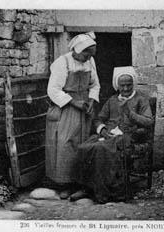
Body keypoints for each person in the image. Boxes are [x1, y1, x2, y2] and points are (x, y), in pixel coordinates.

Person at [75, 66, 154, 203]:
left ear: (133, 84)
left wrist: (129, 113)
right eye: (122, 85)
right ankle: (87, 188)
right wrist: (103, 130)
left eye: (129, 85)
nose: (125, 89)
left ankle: (105, 192)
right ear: (117, 86)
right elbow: (98, 119)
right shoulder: (112, 100)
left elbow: (148, 122)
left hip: (129, 136)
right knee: (84, 147)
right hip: (108, 135)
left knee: (101, 149)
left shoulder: (141, 100)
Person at [45, 32, 100, 198]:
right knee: (65, 144)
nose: (88, 57)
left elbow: (95, 85)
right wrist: (74, 102)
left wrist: (91, 100)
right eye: (86, 53)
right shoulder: (62, 62)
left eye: (91, 54)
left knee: (83, 143)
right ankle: (64, 183)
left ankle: (80, 183)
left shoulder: (90, 61)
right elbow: (53, 90)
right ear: (77, 50)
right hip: (66, 108)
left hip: (84, 108)